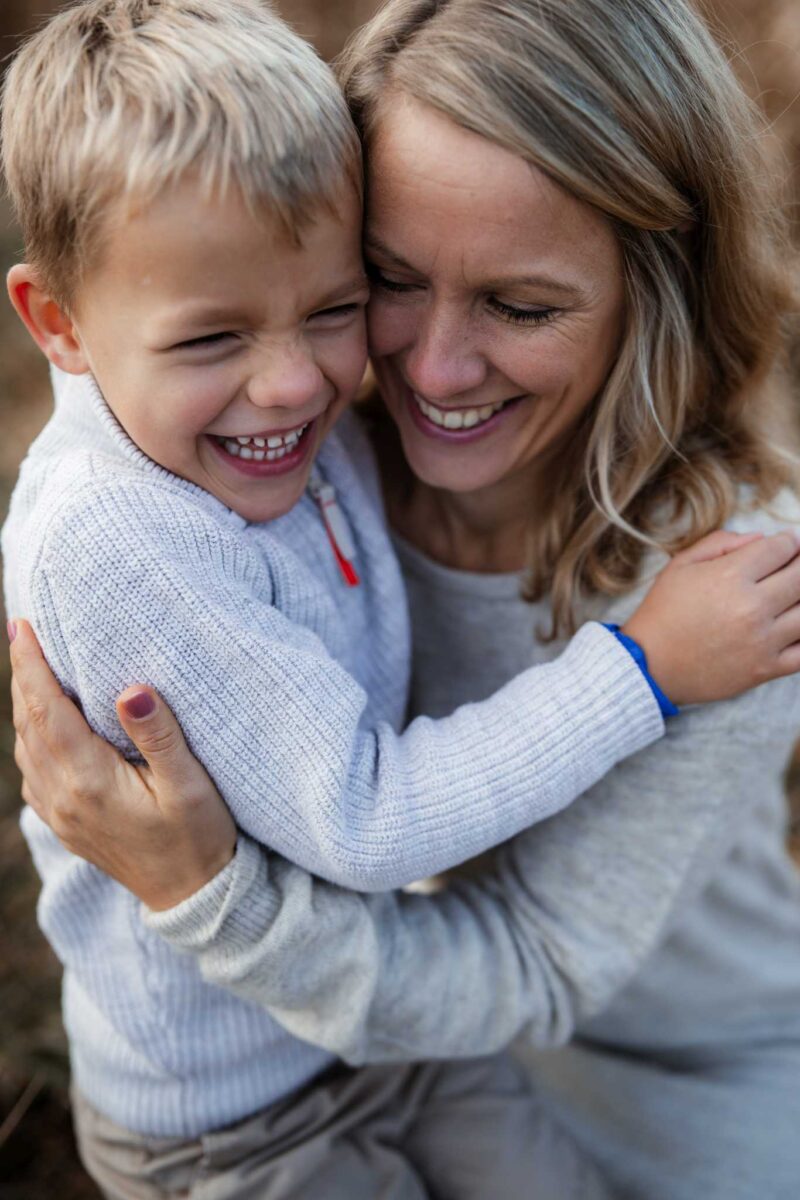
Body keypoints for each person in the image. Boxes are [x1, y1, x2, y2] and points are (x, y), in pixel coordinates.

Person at [10, 1, 800, 1198]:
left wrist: (200, 889)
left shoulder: (728, 590)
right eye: (384, 281)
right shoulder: (290, 433)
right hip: (343, 1037)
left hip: (658, 1052)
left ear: (656, 290)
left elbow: (522, 957)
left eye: (519, 306)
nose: (427, 369)